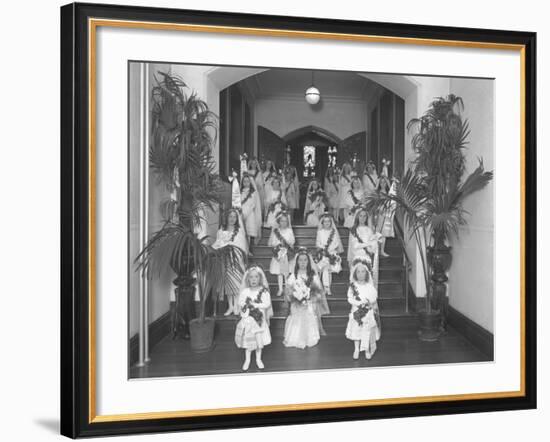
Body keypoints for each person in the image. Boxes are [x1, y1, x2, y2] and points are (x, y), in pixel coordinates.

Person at [283, 248, 330, 348]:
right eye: (300, 260)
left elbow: (318, 292)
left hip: (309, 303)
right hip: (297, 304)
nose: (303, 263)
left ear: (308, 262)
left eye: (305, 260)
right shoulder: (293, 276)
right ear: (297, 262)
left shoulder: (313, 276)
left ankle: (310, 338)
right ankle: (295, 338)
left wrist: (310, 298)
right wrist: (295, 297)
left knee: (309, 314)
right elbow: (288, 292)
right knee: (296, 315)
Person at [235, 265, 273, 370]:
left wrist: (255, 305)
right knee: (248, 341)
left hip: (259, 320)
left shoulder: (263, 291)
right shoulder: (245, 291)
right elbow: (240, 302)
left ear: (260, 278)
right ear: (248, 279)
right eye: (251, 277)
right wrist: (246, 306)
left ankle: (258, 359)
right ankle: (247, 359)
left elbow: (267, 304)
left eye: (256, 277)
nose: (253, 279)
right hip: (248, 321)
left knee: (258, 341)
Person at [212, 208, 249, 316]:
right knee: (228, 284)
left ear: (237, 219)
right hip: (226, 260)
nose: (232, 219)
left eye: (234, 217)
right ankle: (230, 306)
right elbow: (218, 244)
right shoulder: (221, 231)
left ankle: (237, 306)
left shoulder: (239, 232)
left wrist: (239, 256)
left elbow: (243, 246)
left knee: (237, 283)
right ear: (226, 218)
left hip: (237, 260)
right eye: (230, 216)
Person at [345, 257, 381, 360]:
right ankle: (356, 348)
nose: (361, 274)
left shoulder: (369, 286)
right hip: (356, 311)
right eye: (358, 272)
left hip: (367, 311)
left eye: (363, 272)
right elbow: (349, 298)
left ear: (366, 274)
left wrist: (368, 302)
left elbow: (374, 296)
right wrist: (358, 303)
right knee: (357, 330)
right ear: (355, 274)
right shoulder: (353, 286)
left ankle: (366, 349)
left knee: (367, 330)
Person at [347, 207, 382, 289]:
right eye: (360, 216)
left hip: (367, 258)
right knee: (357, 281)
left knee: (367, 281)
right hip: (357, 257)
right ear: (357, 217)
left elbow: (372, 247)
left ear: (367, 218)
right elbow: (355, 246)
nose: (362, 218)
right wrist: (368, 243)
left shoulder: (369, 230)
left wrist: (376, 242)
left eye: (364, 216)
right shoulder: (354, 230)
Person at [314, 213, 344, 295]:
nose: (327, 223)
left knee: (328, 269)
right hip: (323, 253)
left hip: (332, 253)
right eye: (325, 222)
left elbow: (336, 242)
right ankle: (327, 288)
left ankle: (327, 287)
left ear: (331, 223)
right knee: (325, 268)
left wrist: (330, 250)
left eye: (328, 222)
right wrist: (323, 248)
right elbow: (318, 243)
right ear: (322, 223)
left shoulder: (333, 232)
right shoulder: (320, 232)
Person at [268, 211, 296, 297]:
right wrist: (278, 246)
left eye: (285, 221)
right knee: (279, 272)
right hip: (278, 253)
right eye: (282, 221)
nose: (284, 223)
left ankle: (287, 288)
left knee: (286, 271)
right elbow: (272, 242)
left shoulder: (289, 231)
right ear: (279, 222)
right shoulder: (275, 231)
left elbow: (292, 241)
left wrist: (287, 244)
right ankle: (280, 289)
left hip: (287, 253)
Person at [375, 174, 397, 257]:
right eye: (381, 182)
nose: (382, 184)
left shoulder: (389, 193)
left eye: (384, 182)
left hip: (386, 213)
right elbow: (375, 203)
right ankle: (376, 249)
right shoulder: (377, 192)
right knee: (378, 232)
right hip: (379, 214)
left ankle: (382, 250)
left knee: (384, 233)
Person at [240, 173, 262, 249]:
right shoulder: (240, 192)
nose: (246, 183)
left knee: (249, 233)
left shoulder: (253, 193)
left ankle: (250, 249)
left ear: (250, 182)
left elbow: (253, 204)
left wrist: (245, 214)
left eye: (247, 181)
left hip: (249, 214)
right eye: (244, 181)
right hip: (241, 214)